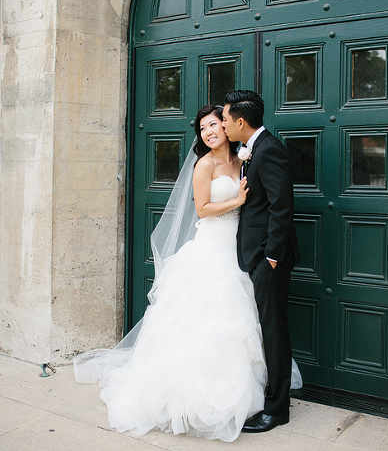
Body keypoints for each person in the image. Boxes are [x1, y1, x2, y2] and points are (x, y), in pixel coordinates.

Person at [74, 104, 266, 442]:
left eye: (213, 125)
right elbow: (203, 209)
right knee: (202, 320)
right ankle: (188, 400)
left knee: (235, 323)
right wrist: (236, 201)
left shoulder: (242, 160)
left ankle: (232, 394)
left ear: (226, 127)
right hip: (210, 248)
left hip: (236, 251)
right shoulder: (204, 165)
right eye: (202, 129)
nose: (208, 132)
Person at [221, 89, 301, 433]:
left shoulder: (269, 151)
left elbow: (282, 208)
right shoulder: (254, 149)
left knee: (274, 330)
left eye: (225, 119)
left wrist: (270, 257)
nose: (222, 125)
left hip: (269, 258)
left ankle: (277, 409)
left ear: (241, 121)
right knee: (265, 328)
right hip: (253, 253)